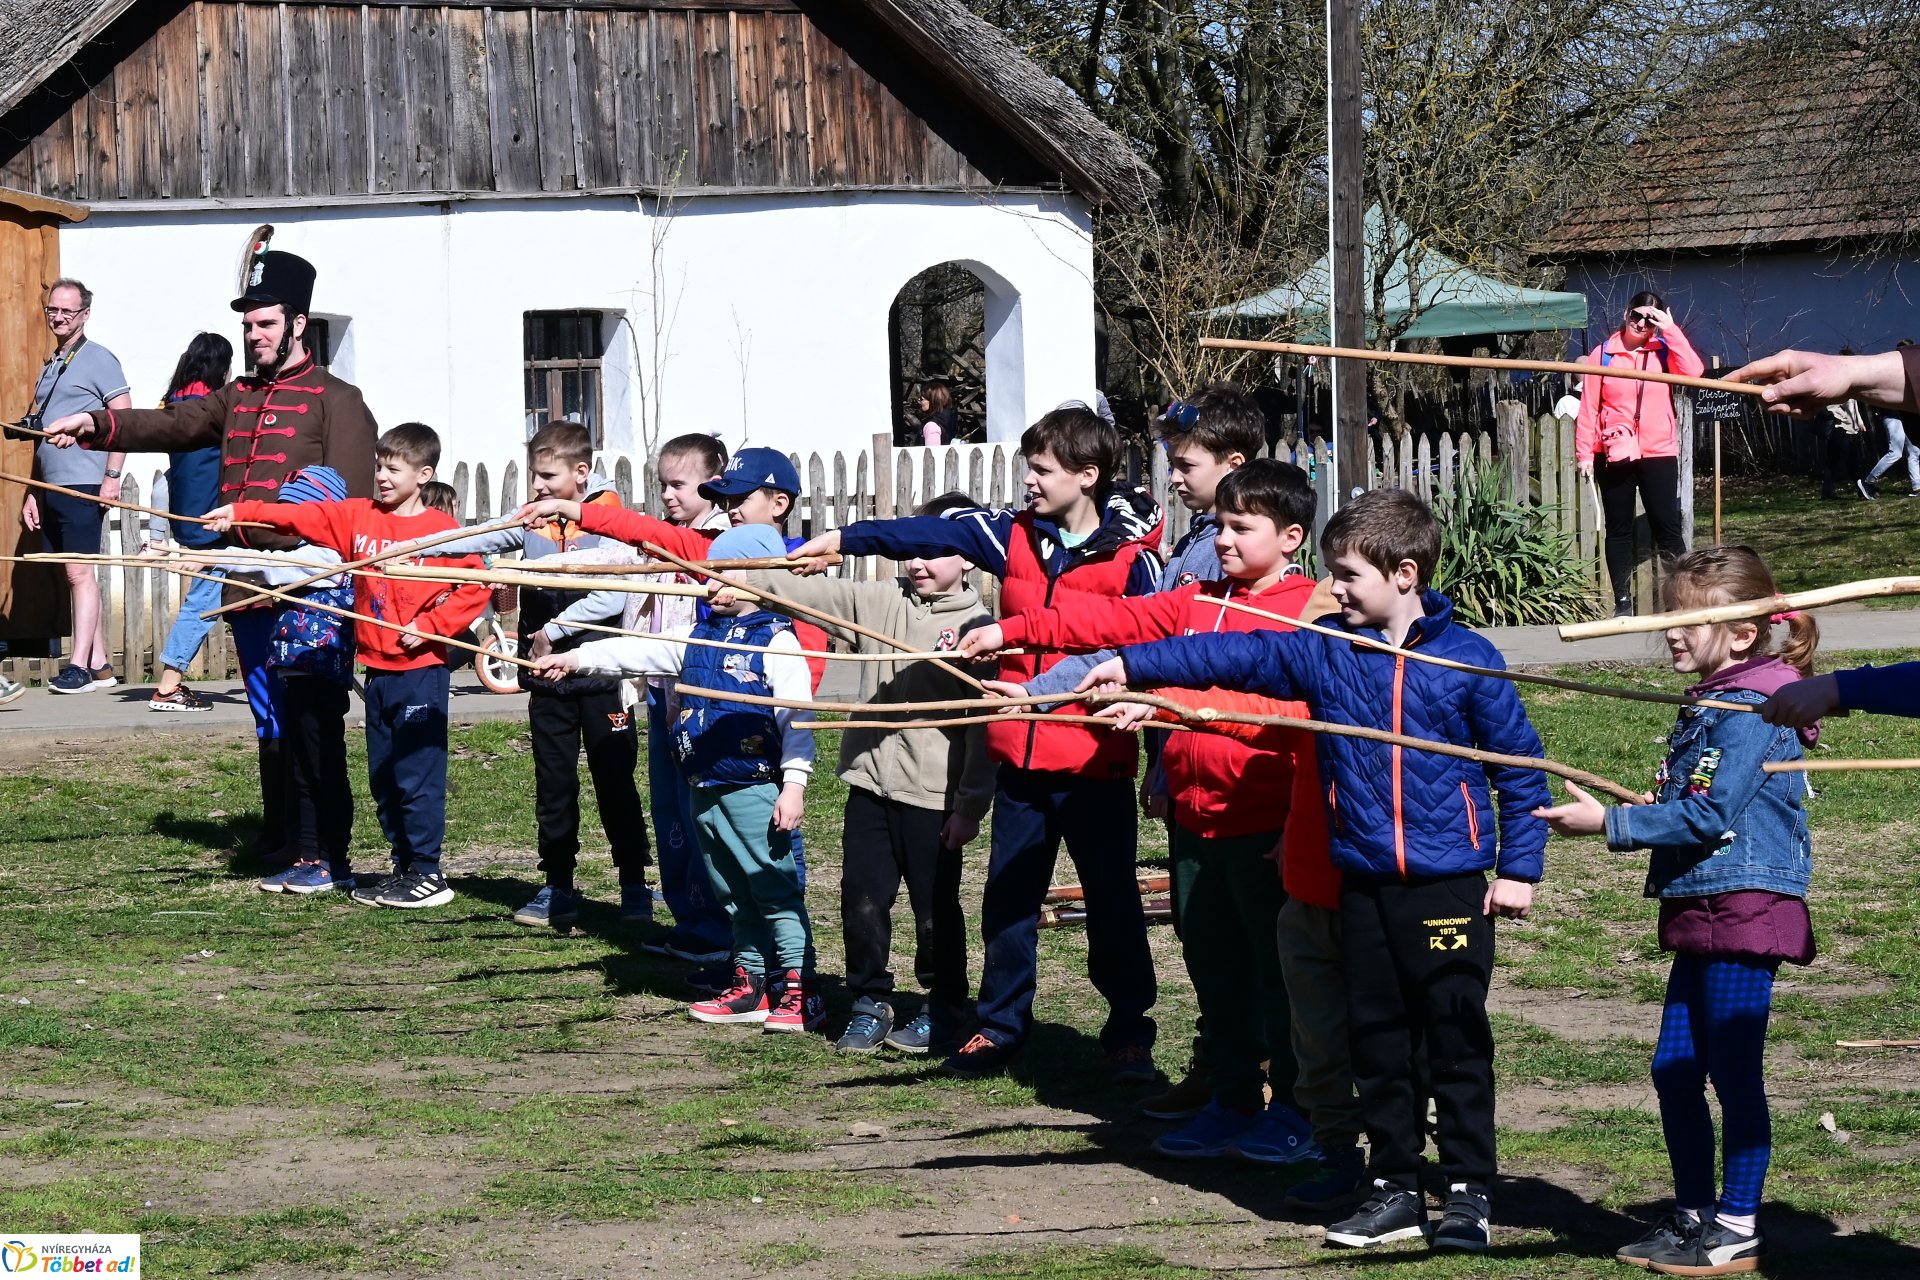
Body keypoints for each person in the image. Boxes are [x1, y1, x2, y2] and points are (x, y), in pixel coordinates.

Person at [1075, 487, 1549, 1252]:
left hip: (1446, 886)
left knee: (1453, 1040)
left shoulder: (1469, 663)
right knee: (1378, 1041)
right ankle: (1394, 1187)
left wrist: (1519, 868)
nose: (1331, 589)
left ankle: (1467, 1193)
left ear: (1404, 573)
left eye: (1347, 576)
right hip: (1360, 881)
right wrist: (1127, 663)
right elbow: (1229, 652)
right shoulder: (1326, 649)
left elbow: (1521, 773)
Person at [963, 460, 1330, 1169]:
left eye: (1240, 527)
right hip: (1195, 822)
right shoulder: (1196, 601)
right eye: (1219, 524)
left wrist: (1175, 706)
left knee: (1278, 977)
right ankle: (1229, 1099)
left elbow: (1289, 717)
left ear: (1290, 537)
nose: (1222, 539)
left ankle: (1295, 1107)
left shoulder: (1310, 611)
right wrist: (1015, 631)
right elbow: (1111, 623)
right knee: (1213, 968)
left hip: (1267, 825)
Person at [790, 404, 1166, 1084]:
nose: (1028, 480)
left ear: (1088, 475)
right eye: (1028, 466)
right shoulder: (1012, 534)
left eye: (1043, 470)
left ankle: (1128, 1032)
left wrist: (1160, 761)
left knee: (1111, 900)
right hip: (1020, 757)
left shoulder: (1133, 561)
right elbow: (926, 530)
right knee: (1009, 898)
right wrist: (849, 537)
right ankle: (999, 1025)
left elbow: (1153, 652)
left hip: (1094, 761)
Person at [1535, 546, 1818, 1277]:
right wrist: (1633, 812)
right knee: (1674, 1068)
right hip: (1706, 903)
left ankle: (1737, 1225)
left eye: (1690, 619)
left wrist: (1611, 827)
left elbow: (1713, 814)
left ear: (1744, 632)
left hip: (1744, 904)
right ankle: (1694, 1214)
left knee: (1731, 1070)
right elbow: (1693, 798)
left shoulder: (1756, 702)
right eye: (1670, 617)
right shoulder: (1716, 697)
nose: (1672, 632)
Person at [42, 250, 377, 863]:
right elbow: (169, 424)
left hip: (309, 587)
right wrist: (95, 424)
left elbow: (352, 506)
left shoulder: (339, 399)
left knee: (312, 719)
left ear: (298, 323)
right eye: (248, 325)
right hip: (245, 584)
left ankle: (321, 848)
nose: (254, 337)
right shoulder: (236, 397)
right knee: (269, 719)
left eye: (266, 324)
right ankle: (278, 839)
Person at [1018, 383, 1269, 1118]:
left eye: (1185, 463)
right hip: (1188, 765)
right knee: (1202, 930)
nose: (1175, 478)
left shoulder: (1272, 553)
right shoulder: (1195, 544)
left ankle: (1265, 1081)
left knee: (1252, 938)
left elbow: (1239, 667)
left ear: (1234, 461)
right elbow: (1143, 636)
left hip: (1247, 777)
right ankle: (1219, 1063)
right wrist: (1161, 755)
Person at [533, 524, 824, 1034]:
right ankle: (752, 981)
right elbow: (631, 651)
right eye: (708, 575)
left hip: (755, 785)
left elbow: (795, 718)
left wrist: (795, 783)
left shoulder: (776, 640)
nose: (711, 585)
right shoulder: (697, 635)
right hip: (704, 786)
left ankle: (797, 989)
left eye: (725, 576)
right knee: (732, 888)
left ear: (761, 580)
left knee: (771, 886)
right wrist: (574, 658)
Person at [736, 491, 995, 1055]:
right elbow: (815, 593)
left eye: (932, 551)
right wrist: (751, 580)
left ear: (968, 557)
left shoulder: (982, 629)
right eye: (911, 551)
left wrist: (970, 806)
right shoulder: (883, 603)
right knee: (862, 897)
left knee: (935, 909)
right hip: (870, 784)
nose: (917, 563)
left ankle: (944, 1004)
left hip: (934, 796)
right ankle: (869, 999)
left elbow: (984, 728)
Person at [205, 423, 489, 910]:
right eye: (378, 466)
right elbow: (298, 517)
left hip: (420, 669)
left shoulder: (442, 534)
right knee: (383, 772)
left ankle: (427, 870)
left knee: (416, 771)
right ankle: (403, 866)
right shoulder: (357, 517)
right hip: (377, 670)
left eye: (392, 469)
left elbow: (478, 586)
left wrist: (431, 624)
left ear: (424, 474)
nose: (380, 475)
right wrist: (240, 512)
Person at [389, 421, 652, 929]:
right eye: (534, 475)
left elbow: (613, 596)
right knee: (553, 785)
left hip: (601, 676)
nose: (536, 487)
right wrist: (411, 547)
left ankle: (634, 884)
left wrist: (554, 629)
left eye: (546, 477)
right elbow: (481, 536)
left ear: (581, 473)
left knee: (615, 781)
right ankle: (557, 883)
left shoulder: (612, 522)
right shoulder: (532, 520)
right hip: (545, 679)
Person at [200, 466, 358, 894]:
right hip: (296, 674)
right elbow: (269, 564)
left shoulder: (328, 554)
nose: (291, 522)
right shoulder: (310, 548)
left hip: (320, 674)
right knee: (302, 768)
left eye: (299, 512)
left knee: (323, 767)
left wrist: (213, 557)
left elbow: (272, 569)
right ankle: (308, 857)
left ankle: (331, 861)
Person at [639, 434, 735, 967]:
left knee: (702, 814)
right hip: (660, 692)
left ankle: (716, 925)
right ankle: (687, 918)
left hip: (700, 699)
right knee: (670, 812)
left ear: (712, 481)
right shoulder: (666, 540)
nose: (669, 495)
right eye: (663, 485)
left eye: (679, 484)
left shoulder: (723, 546)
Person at [21, 278, 131, 694]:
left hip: (85, 481)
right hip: (53, 485)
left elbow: (125, 420)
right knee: (74, 576)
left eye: (68, 310)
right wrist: (34, 488)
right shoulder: (53, 363)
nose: (59, 316)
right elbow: (42, 434)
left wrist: (112, 477)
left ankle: (79, 667)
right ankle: (102, 665)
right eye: (53, 309)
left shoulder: (99, 359)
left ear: (85, 314)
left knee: (79, 574)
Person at [1575, 290, 1705, 616]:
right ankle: (1622, 603)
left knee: (1668, 528)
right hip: (1615, 451)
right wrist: (1585, 454)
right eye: (1637, 315)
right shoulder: (1602, 355)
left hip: (1658, 451)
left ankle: (1683, 602)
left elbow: (1694, 372)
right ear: (1626, 314)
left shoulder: (1663, 351)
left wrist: (1670, 330)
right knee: (1618, 529)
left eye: (1650, 320)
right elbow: (1589, 407)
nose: (1641, 324)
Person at [148, 332, 235, 712]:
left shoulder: (174, 405)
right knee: (203, 602)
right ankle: (168, 686)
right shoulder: (213, 410)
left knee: (245, 592)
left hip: (188, 516)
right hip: (214, 519)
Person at [1856, 341, 1919, 499]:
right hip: (1892, 415)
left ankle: (1917, 487)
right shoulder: (1891, 370)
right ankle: (1867, 482)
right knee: (1896, 453)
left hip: (1905, 415)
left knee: (1914, 451)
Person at [916, 381, 958, 447]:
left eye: (921, 399)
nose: (919, 401)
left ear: (933, 400)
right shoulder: (949, 421)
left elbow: (932, 454)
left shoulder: (931, 426)